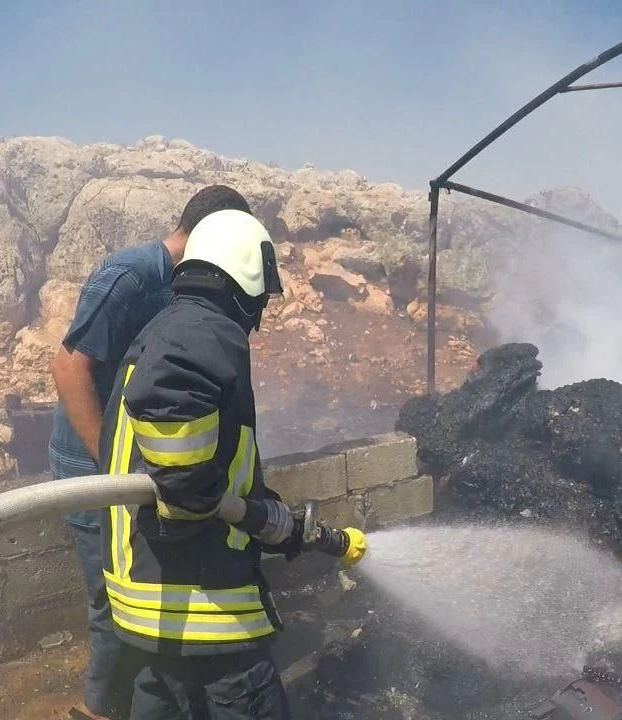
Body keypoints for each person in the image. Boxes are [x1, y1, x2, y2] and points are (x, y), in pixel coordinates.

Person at [97, 208, 366, 719]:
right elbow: (169, 407)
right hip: (203, 605)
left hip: (151, 607)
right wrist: (191, 497)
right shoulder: (204, 330)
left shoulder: (166, 326)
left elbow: (215, 468)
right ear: (247, 280)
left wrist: (268, 516)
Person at [49, 185, 253, 719]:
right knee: (110, 605)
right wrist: (111, 469)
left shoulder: (186, 286)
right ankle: (99, 711)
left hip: (134, 471)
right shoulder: (134, 275)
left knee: (138, 596)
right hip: (96, 471)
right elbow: (69, 366)